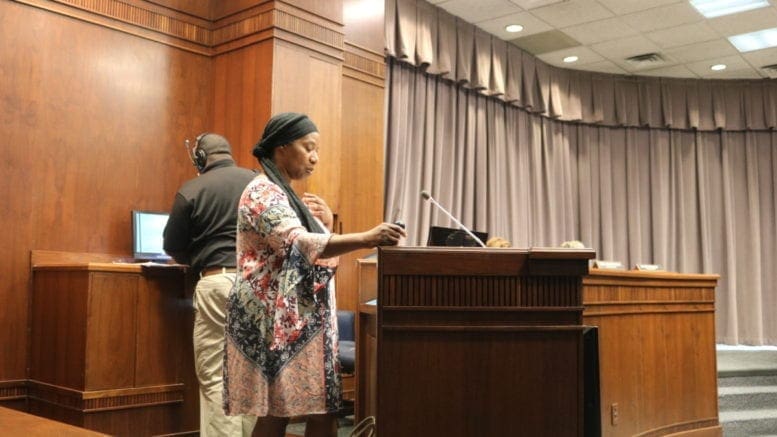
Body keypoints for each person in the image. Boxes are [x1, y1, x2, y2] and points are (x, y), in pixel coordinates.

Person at [223, 113, 406, 437]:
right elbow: (299, 244)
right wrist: (367, 237)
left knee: (314, 410)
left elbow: (316, 253)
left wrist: (324, 224)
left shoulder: (287, 196)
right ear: (282, 147)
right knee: (282, 412)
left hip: (298, 322)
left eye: (317, 150)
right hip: (273, 321)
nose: (315, 158)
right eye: (308, 147)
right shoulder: (263, 192)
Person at [162, 133, 257, 437]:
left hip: (216, 282)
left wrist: (197, 254)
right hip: (259, 286)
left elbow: (172, 246)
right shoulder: (258, 184)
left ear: (200, 159)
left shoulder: (191, 189)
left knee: (217, 376)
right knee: (251, 374)